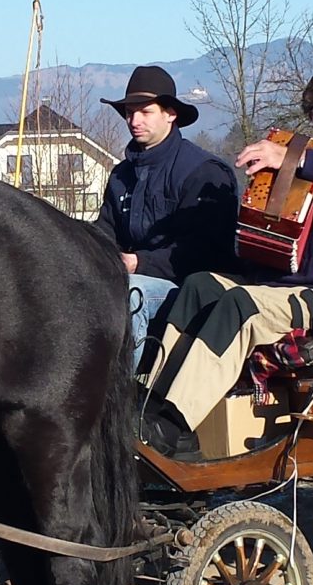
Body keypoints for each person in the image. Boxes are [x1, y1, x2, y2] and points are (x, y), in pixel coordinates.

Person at [140, 66, 313, 456]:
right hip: (292, 285)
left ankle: (173, 425)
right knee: (200, 286)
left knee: (241, 306)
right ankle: (150, 405)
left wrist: (294, 157)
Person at [97, 64, 237, 365]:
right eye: (129, 112)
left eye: (145, 112)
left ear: (170, 114)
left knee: (130, 293)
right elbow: (104, 231)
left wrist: (139, 263)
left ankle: (127, 399)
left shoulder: (204, 172)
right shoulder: (121, 176)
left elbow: (206, 250)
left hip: (194, 291)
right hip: (129, 277)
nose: (134, 120)